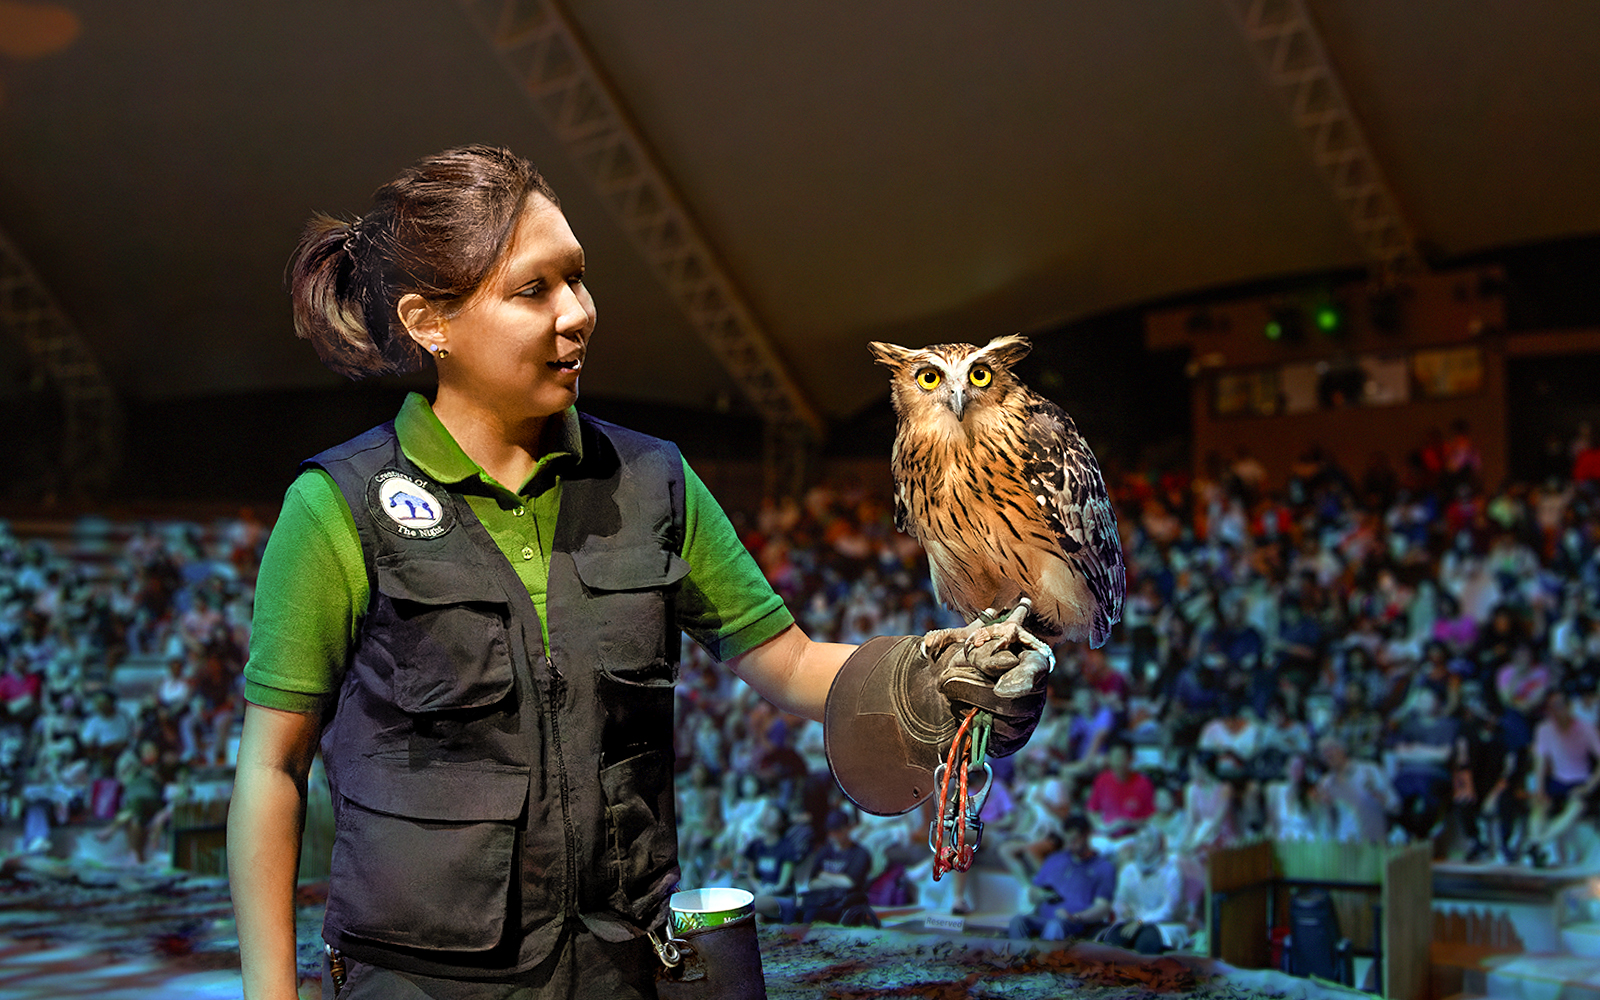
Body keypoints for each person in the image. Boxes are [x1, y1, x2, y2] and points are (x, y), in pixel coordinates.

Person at [226, 145, 1049, 1000]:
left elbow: (793, 664)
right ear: (430, 323)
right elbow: (272, 770)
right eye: (533, 290)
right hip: (418, 980)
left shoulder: (653, 480)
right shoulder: (336, 506)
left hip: (625, 970)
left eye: (578, 279)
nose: (577, 312)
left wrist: (938, 668)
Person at [1008, 813, 1116, 942]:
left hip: (1077, 924)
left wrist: (1075, 917)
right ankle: (1018, 959)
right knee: (1018, 921)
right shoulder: (1055, 859)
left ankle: (1043, 961)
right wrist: (1038, 894)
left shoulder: (1103, 867)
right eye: (1067, 840)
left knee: (1055, 926)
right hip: (1044, 920)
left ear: (1086, 835)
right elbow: (1034, 892)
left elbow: (1102, 907)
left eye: (1075, 840)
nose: (1070, 845)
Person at [1102, 827, 1186, 955]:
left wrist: (1141, 921)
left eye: (1147, 840)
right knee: (1113, 942)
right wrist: (1124, 911)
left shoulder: (1171, 871)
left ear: (1158, 845)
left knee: (1146, 943)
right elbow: (1119, 900)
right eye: (1139, 840)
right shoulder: (1129, 870)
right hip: (1132, 922)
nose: (1141, 844)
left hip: (1162, 924)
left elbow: (1168, 909)